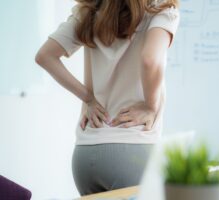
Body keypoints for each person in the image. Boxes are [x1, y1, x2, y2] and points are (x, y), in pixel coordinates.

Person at [35, 0, 180, 196]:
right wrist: (150, 107)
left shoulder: (89, 10)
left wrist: (88, 98)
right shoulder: (162, 10)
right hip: (133, 149)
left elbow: (45, 56)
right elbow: (150, 59)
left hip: (85, 155)